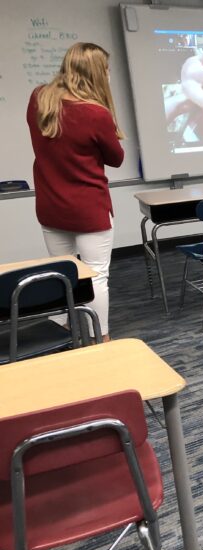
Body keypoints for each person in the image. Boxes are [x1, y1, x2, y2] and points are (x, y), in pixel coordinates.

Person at [26, 42, 124, 342]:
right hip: (88, 209)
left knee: (61, 273)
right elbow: (116, 158)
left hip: (51, 205)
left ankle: (59, 333)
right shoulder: (96, 113)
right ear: (94, 72)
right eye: (106, 70)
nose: (108, 75)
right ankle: (101, 339)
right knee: (96, 275)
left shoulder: (39, 99)